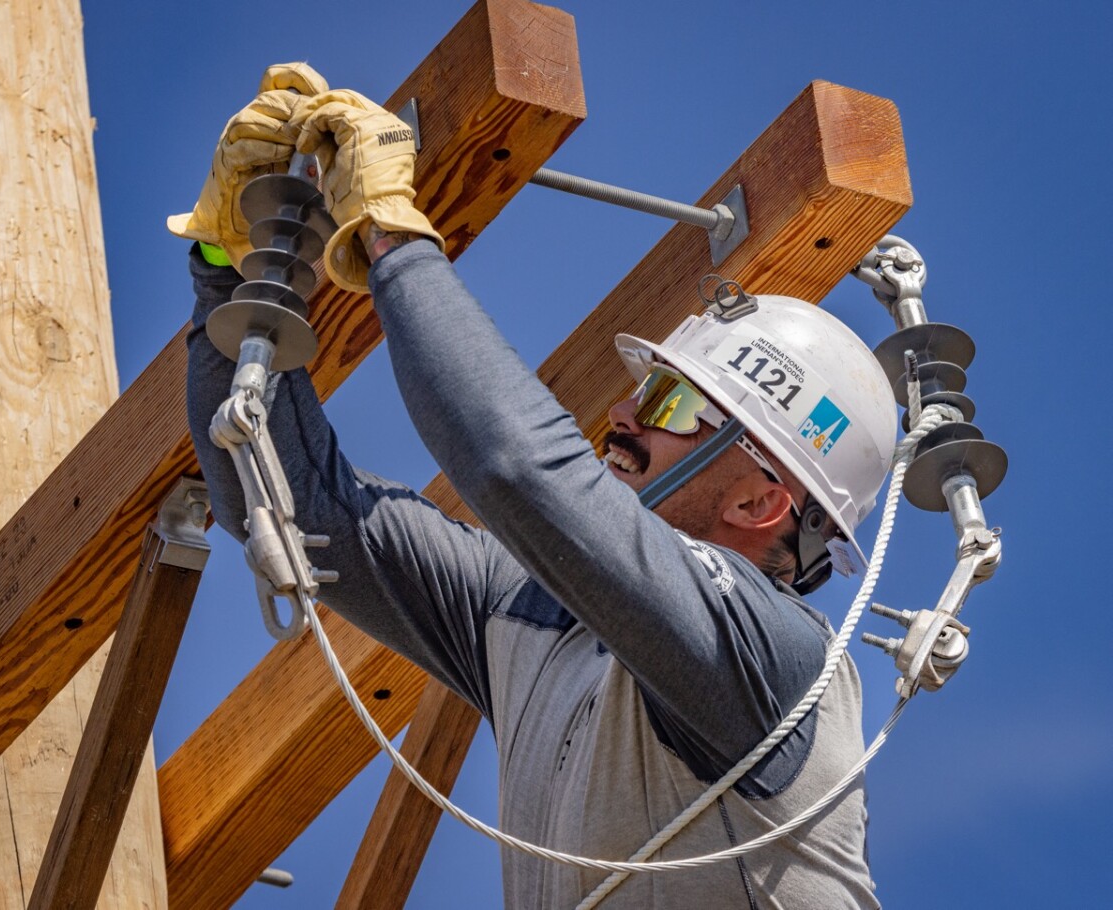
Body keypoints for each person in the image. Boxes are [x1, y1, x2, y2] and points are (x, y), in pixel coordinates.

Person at [176, 64, 897, 908]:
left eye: (671, 402)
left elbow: (517, 469)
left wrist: (392, 240)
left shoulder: (767, 655)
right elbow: (285, 499)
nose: (624, 412)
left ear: (758, 502)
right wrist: (231, 259)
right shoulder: (530, 622)